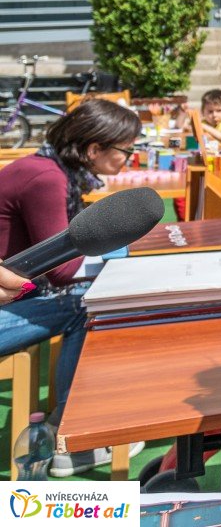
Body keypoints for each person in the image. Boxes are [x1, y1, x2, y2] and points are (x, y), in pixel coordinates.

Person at [0, 100, 146, 475]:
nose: (128, 159)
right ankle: (72, 438)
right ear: (94, 149)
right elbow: (63, 271)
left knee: (89, 299)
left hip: (18, 295)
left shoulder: (48, 169)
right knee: (87, 307)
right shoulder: (47, 179)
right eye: (126, 150)